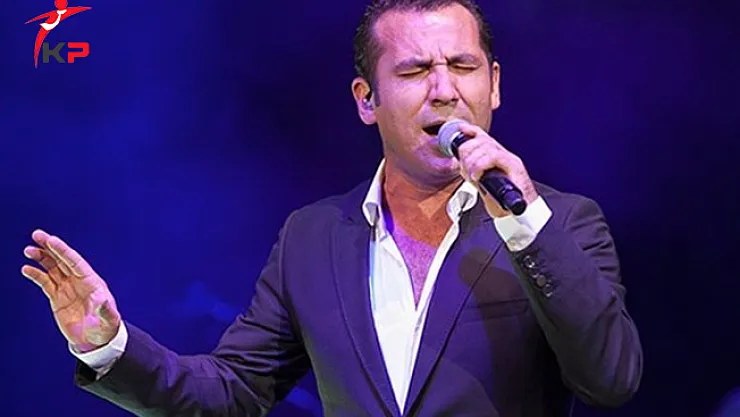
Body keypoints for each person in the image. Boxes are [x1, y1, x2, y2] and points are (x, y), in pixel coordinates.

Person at [20, 0, 643, 416]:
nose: (445, 90)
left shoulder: (560, 223)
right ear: (367, 100)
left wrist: (526, 222)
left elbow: (610, 379)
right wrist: (111, 347)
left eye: (463, 66)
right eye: (415, 71)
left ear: (495, 85)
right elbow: (233, 393)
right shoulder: (313, 237)